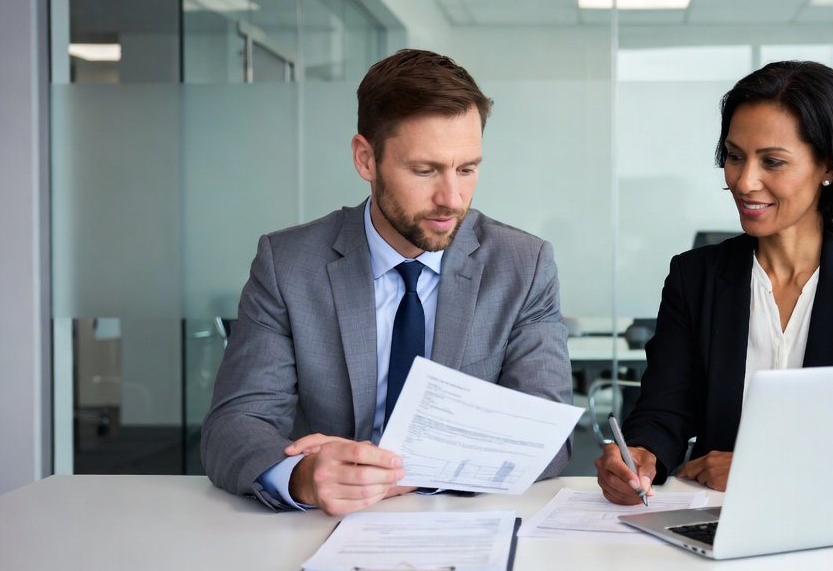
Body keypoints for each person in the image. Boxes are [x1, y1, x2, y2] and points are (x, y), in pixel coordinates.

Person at [202, 49, 573, 515]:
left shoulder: (522, 264)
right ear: (366, 158)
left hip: (463, 520)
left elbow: (548, 434)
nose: (451, 199)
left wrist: (425, 477)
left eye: (467, 169)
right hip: (323, 525)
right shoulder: (289, 264)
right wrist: (303, 478)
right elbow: (236, 424)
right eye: (424, 171)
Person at [597, 60, 833, 505]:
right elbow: (664, 408)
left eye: (772, 161)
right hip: (719, 524)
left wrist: (764, 467)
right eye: (734, 157)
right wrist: (641, 455)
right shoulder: (696, 277)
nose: (744, 182)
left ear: (828, 166)